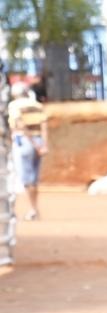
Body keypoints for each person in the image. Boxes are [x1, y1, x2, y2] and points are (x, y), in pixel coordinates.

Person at [8, 82, 48, 220]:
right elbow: (44, 126)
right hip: (38, 141)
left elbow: (20, 125)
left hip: (24, 142)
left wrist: (34, 144)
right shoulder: (37, 106)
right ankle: (34, 209)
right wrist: (43, 145)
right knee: (34, 179)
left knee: (26, 178)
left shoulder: (14, 106)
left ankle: (33, 209)